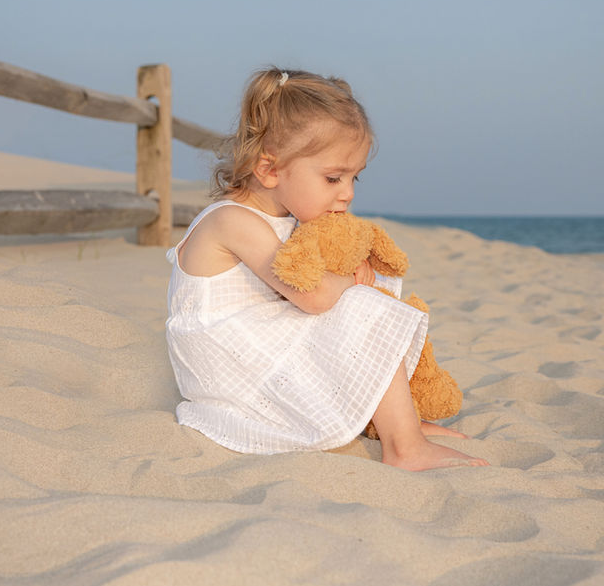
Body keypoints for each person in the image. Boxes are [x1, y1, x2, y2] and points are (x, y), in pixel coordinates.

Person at [165, 67, 488, 471]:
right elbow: (313, 295)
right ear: (269, 170)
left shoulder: (284, 217)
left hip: (256, 347)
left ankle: (391, 421)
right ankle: (404, 446)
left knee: (364, 303)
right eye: (333, 178)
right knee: (359, 306)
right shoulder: (233, 221)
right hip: (230, 373)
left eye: (355, 178)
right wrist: (353, 282)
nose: (347, 193)